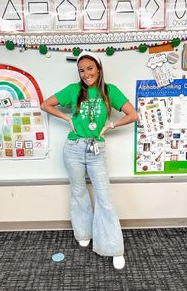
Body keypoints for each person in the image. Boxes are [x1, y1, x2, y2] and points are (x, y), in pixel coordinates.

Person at [41, 51, 139, 270]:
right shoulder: (73, 90)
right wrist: (67, 118)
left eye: (90, 69)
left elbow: (133, 115)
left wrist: (111, 125)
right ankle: (83, 232)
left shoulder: (110, 91)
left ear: (99, 68)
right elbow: (45, 105)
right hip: (74, 148)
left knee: (104, 198)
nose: (86, 74)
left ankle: (113, 247)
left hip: (97, 150)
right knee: (78, 192)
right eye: (82, 70)